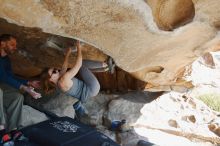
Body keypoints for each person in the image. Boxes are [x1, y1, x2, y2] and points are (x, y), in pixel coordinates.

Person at [41, 40, 111, 119]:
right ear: (50, 79)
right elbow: (78, 65)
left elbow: (64, 68)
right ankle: (106, 65)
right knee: (82, 64)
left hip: (89, 90)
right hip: (91, 88)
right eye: (54, 71)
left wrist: (68, 53)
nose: (57, 70)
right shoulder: (63, 80)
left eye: (55, 69)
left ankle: (106, 67)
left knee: (84, 68)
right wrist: (79, 47)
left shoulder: (58, 82)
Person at [0, 34, 42, 145]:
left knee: (17, 96)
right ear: (2, 44)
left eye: (15, 45)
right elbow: (3, 76)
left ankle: (13, 130)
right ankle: (2, 132)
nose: (15, 47)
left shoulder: (6, 59)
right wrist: (26, 89)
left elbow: (10, 75)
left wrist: (28, 82)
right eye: (12, 44)